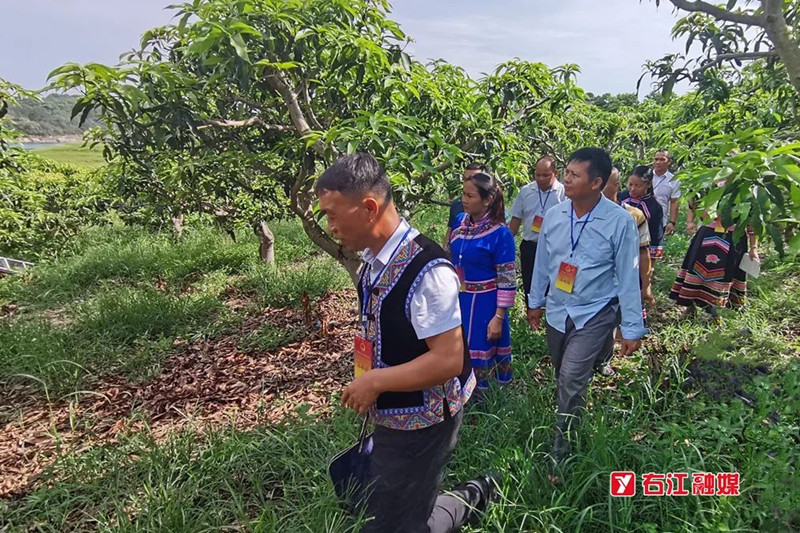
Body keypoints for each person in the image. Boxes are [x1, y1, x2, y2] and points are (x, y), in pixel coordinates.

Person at [316, 152, 498, 533]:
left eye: (333, 214)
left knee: (395, 521)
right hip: (392, 411)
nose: (330, 226)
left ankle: (471, 496)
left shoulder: (428, 270)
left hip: (424, 419)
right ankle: (473, 495)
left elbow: (448, 360)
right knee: (395, 508)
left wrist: (376, 381)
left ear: (368, 208)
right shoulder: (375, 258)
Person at [527, 148, 647, 480]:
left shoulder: (619, 221)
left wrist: (632, 327)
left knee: (569, 377)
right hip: (558, 310)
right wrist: (535, 301)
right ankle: (574, 403)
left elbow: (627, 274)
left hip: (595, 311)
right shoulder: (554, 215)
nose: (565, 178)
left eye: (574, 175)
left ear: (596, 183)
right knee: (562, 374)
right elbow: (542, 264)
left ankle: (560, 455)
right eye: (565, 172)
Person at [450, 172, 516, 397]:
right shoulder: (460, 222)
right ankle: (460, 399)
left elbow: (507, 279)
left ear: (487, 199)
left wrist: (498, 317)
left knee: (482, 351)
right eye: (463, 194)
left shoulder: (500, 234)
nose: (464, 200)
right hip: (460, 300)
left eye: (470, 195)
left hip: (486, 304)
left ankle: (484, 402)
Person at [669, 184, 758, 319]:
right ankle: (690, 305)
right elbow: (693, 204)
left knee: (726, 274)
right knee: (696, 270)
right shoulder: (710, 182)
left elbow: (753, 220)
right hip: (707, 234)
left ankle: (716, 312)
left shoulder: (746, 187)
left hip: (733, 238)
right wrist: (690, 221)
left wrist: (753, 247)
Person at [597, 167, 652, 376]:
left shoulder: (633, 216)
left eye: (604, 183)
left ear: (615, 186)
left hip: (621, 281)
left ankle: (604, 359)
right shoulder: (579, 213)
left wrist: (646, 285)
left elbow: (644, 252)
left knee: (614, 319)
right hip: (592, 283)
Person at [508, 155, 566, 302]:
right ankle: (532, 316)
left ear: (555, 173)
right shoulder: (526, 191)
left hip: (554, 248)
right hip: (530, 246)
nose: (540, 178)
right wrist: (506, 243)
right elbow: (515, 220)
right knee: (530, 284)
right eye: (537, 174)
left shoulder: (564, 194)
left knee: (553, 286)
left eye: (545, 175)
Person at [619, 166, 665, 263]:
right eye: (630, 184)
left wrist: (650, 265)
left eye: (637, 186)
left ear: (648, 185)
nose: (632, 189)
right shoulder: (620, 197)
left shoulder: (654, 207)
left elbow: (655, 237)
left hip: (638, 253)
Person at [444, 162, 487, 250]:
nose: (469, 183)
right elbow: (450, 232)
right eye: (466, 179)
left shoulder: (494, 208)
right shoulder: (457, 204)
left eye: (474, 179)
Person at [650, 149, 682, 236]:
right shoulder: (646, 176)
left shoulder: (674, 180)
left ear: (669, 162)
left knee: (656, 248)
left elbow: (674, 202)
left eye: (662, 159)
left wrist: (672, 222)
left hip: (660, 222)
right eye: (656, 159)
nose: (658, 162)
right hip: (642, 220)